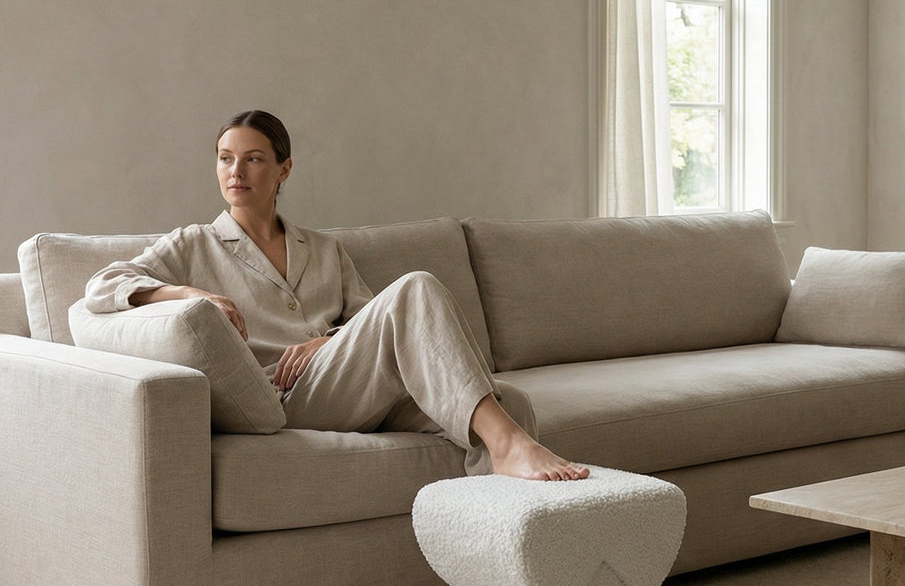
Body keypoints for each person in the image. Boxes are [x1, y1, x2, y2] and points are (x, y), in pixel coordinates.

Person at [83, 110, 589, 481]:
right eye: (225, 159)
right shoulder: (194, 243)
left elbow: (376, 323)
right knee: (416, 288)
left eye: (253, 159)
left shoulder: (322, 248)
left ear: (283, 170)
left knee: (509, 401)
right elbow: (102, 286)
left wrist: (326, 342)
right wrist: (188, 293)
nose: (235, 171)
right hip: (285, 396)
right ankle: (508, 449)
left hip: (347, 386)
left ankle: (497, 546)